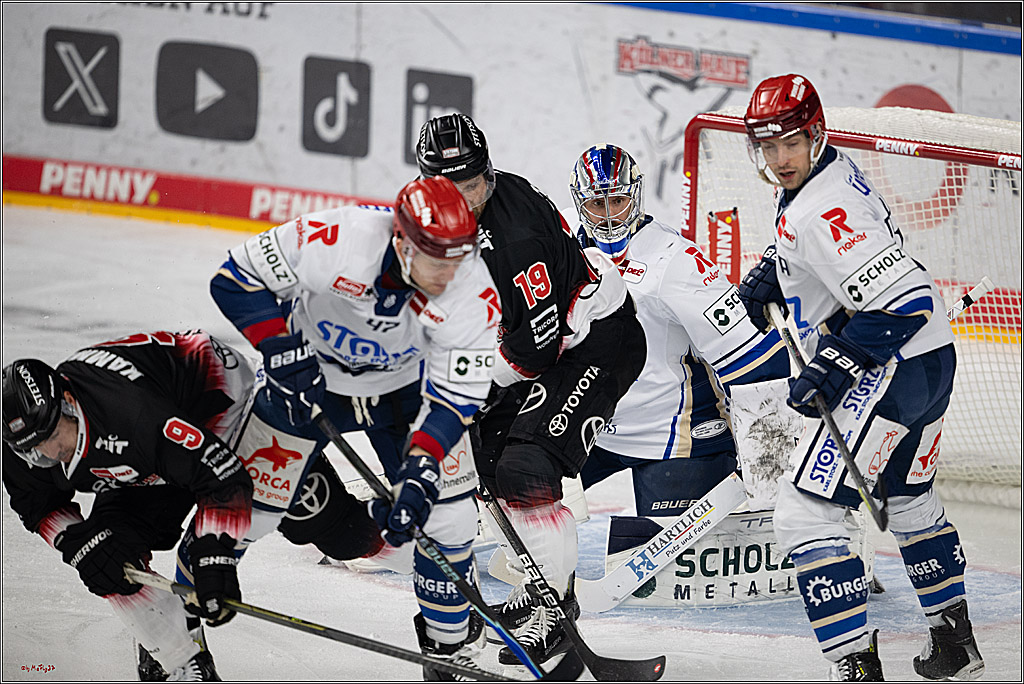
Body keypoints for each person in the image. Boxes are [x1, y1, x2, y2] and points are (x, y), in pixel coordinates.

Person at [736, 73, 984, 681]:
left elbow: (908, 299)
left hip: (892, 367)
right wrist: (777, 267)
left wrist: (835, 363)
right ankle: (956, 644)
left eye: (789, 143)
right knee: (907, 495)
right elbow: (828, 247)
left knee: (806, 513)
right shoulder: (824, 175)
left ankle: (855, 666)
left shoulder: (823, 205)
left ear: (815, 134)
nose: (778, 159)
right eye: (766, 147)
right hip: (931, 362)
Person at [208, 175, 499, 679]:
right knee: (244, 511)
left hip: (404, 392)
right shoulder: (338, 238)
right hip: (310, 380)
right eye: (436, 259)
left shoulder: (473, 287)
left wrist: (422, 466)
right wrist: (278, 346)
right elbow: (233, 279)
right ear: (402, 242)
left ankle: (447, 651)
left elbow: (454, 400)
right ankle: (173, 640)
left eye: (459, 256)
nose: (451, 273)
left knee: (449, 521)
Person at [416, 114, 647, 669]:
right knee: (489, 462)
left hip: (598, 342)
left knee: (525, 464)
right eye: (450, 186)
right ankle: (543, 584)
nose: (463, 198)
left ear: (488, 175)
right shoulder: (427, 216)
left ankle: (552, 613)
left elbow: (535, 352)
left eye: (472, 184)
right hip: (537, 345)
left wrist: (461, 389)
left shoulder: (513, 236)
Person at [2, 330, 256, 681]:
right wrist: (77, 543)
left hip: (217, 401)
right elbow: (38, 504)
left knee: (324, 526)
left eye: (50, 437)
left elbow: (223, 479)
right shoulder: (23, 440)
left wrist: (216, 559)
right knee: (106, 556)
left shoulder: (132, 413)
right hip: (143, 452)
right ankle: (180, 658)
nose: (46, 454)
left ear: (66, 401)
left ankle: (352, 534)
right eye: (31, 450)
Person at [566, 143, 791, 519]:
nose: (607, 216)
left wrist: (772, 455)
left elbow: (756, 359)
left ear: (635, 196)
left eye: (618, 201)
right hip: (591, 429)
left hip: (675, 436)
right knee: (518, 490)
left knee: (659, 572)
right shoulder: (566, 257)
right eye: (596, 204)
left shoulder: (675, 261)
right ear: (579, 204)